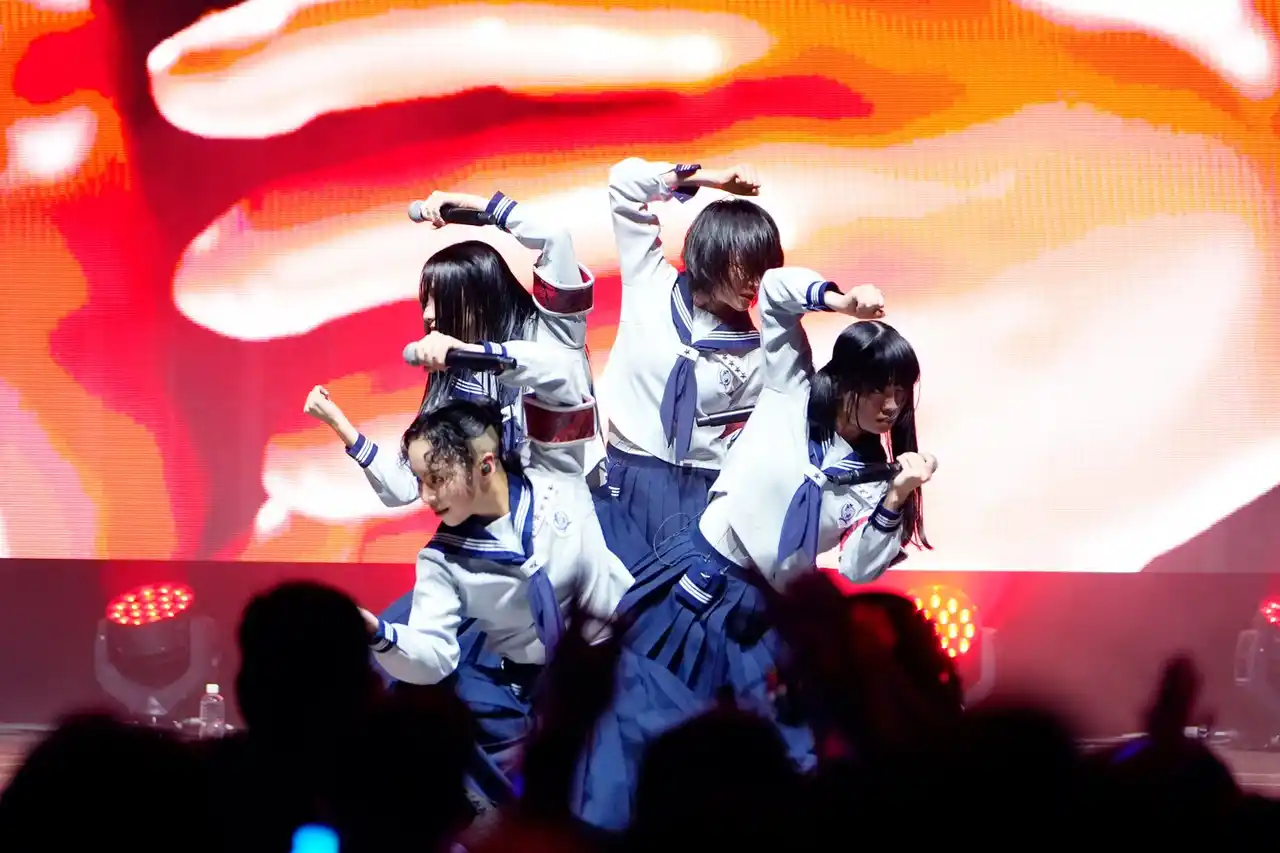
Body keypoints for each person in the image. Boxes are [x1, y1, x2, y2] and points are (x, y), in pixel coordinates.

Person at [363, 331, 702, 830]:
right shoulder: (443, 559)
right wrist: (378, 632)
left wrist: (470, 354)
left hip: (620, 679)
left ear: (484, 464)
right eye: (419, 481)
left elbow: (561, 374)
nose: (426, 496)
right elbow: (433, 655)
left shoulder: (554, 470)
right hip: (534, 698)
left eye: (436, 479)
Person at [615, 265, 936, 766]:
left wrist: (896, 497)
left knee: (759, 753)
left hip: (764, 615)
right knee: (637, 711)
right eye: (880, 387)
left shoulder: (877, 478)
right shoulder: (792, 388)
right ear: (848, 378)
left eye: (902, 390)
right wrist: (842, 302)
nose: (892, 404)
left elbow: (856, 569)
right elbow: (774, 291)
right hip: (696, 570)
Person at [596, 157, 885, 561]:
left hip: (700, 493)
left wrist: (840, 302)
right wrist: (710, 179)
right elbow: (624, 184)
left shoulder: (762, 353)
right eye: (745, 266)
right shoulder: (649, 282)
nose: (754, 282)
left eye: (763, 270)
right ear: (712, 253)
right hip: (625, 470)